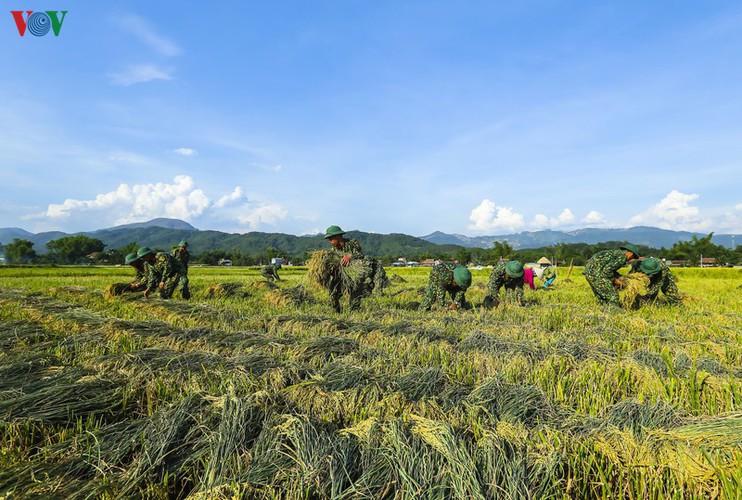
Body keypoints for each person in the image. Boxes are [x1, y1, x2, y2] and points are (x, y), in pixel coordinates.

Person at [324, 225, 370, 312]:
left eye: (331, 238)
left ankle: (355, 315)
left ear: (337, 236)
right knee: (333, 294)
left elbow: (361, 255)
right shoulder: (333, 251)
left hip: (354, 275)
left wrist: (350, 256)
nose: (329, 241)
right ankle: (336, 314)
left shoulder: (352, 243)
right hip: (340, 275)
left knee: (355, 297)